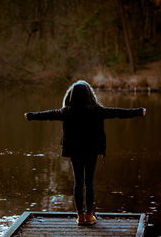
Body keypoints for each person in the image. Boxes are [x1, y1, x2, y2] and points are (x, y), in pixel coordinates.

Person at [24, 80, 146, 226]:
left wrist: (30, 115)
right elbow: (119, 113)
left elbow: (47, 115)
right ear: (89, 95)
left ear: (71, 96)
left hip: (74, 151)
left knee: (78, 182)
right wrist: (139, 112)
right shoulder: (97, 110)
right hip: (91, 150)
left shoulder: (66, 111)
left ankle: (80, 216)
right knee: (89, 183)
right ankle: (89, 215)